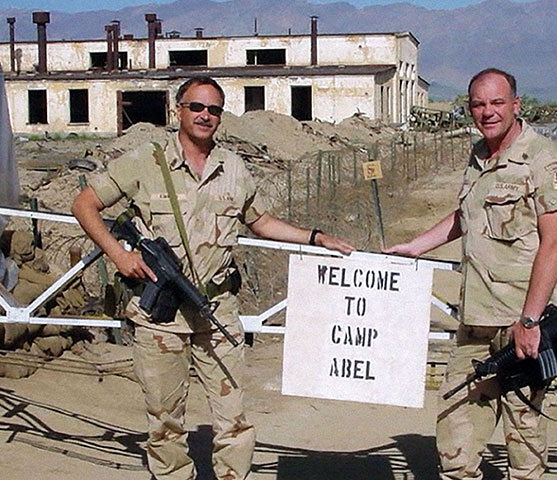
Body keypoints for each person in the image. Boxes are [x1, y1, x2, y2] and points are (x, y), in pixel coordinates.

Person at [72, 76, 354, 480]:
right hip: (160, 318)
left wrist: (316, 237)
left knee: (234, 419)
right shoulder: (145, 161)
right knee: (165, 420)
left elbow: (261, 222)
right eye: (196, 107)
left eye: (214, 110)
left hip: (216, 311)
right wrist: (119, 254)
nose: (205, 116)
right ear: (178, 110)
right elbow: (84, 204)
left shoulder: (233, 167)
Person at [384, 68, 557, 480]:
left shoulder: (543, 159)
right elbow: (466, 216)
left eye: (497, 103)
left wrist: (530, 320)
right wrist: (417, 246)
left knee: (523, 444)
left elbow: (554, 242)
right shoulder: (478, 156)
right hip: (475, 325)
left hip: (523, 326)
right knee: (454, 438)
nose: (487, 112)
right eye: (478, 104)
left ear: (516, 105)